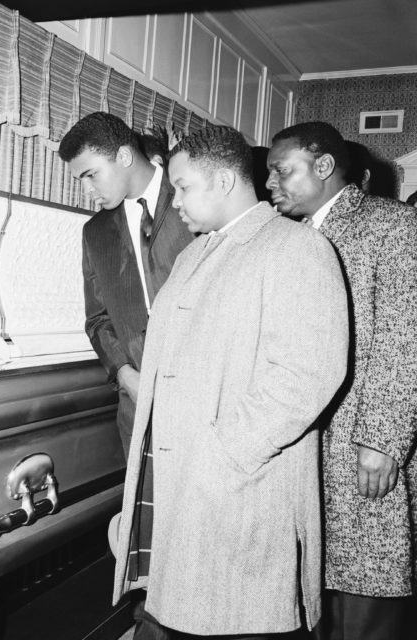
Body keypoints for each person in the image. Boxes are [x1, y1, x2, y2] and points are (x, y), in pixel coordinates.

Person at [112, 123, 349, 639]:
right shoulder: (195, 254)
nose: (174, 202)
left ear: (222, 182)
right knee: (178, 616)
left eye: (182, 187)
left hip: (242, 486)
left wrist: (224, 452)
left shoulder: (298, 248)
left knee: (239, 620)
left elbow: (309, 374)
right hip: (185, 486)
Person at [267, 121, 417, 640]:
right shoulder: (288, 236)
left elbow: (405, 335)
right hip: (303, 444)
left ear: (324, 167)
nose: (270, 185)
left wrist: (383, 439)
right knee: (314, 594)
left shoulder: (392, 225)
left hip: (362, 444)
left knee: (367, 595)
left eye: (281, 171)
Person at [58, 112, 193, 457]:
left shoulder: (193, 200)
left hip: (205, 398)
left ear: (123, 156)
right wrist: (123, 373)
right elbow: (98, 318)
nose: (87, 191)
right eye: (80, 180)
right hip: (137, 407)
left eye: (91, 175)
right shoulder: (95, 232)